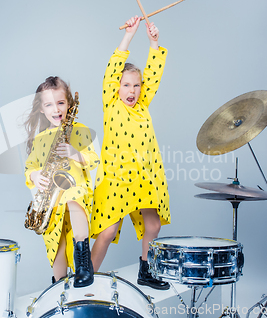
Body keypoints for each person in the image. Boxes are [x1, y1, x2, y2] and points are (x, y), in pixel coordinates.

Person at [90, 16, 171, 290]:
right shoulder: (111, 104)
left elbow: (154, 75)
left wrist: (154, 42)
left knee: (154, 226)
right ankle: (85, 277)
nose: (132, 91)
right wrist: (129, 35)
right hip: (116, 178)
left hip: (145, 177)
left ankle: (146, 271)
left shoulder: (142, 105)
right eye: (126, 85)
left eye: (136, 86)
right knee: (108, 231)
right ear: (117, 88)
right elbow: (112, 70)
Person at [24, 76, 99, 287]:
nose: (56, 109)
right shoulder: (40, 139)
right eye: (49, 104)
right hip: (51, 201)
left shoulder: (81, 130)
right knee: (56, 244)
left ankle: (83, 263)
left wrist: (75, 153)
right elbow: (30, 167)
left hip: (75, 191)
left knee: (73, 198)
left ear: (69, 104)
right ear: (41, 108)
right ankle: (58, 287)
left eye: (61, 102)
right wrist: (35, 176)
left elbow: (94, 160)